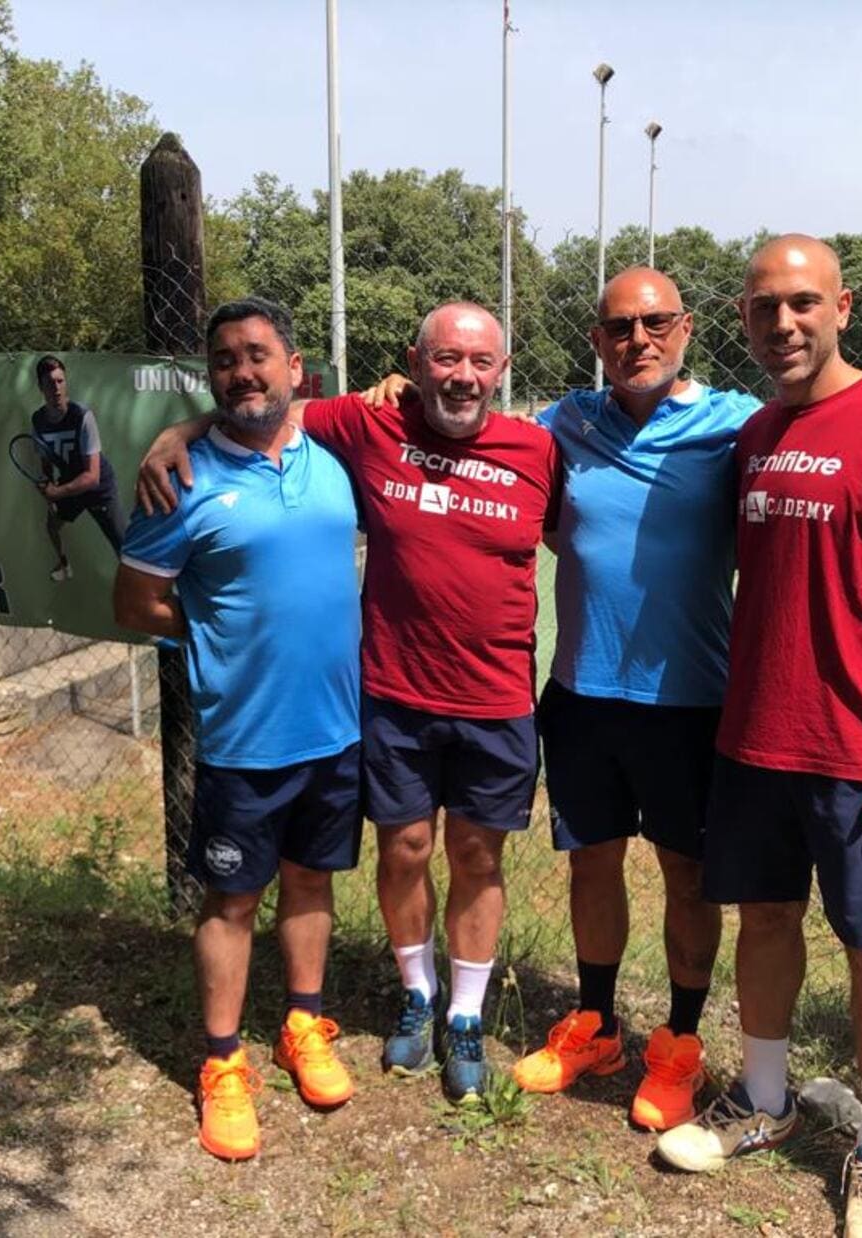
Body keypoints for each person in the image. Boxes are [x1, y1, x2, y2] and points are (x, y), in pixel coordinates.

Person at [138, 302, 559, 1104]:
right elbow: (264, 405)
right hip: (392, 693)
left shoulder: (540, 448)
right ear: (416, 360)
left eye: (478, 362)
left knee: (478, 856)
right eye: (444, 359)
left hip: (498, 697)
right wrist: (182, 432)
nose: (461, 377)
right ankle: (417, 994)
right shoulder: (369, 429)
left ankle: (464, 1015)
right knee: (402, 852)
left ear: (501, 370)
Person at [655, 236, 862, 1238]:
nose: (783, 322)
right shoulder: (754, 434)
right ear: (743, 321)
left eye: (802, 302)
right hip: (755, 739)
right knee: (765, 922)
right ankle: (765, 1098)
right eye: (763, 307)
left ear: (844, 305)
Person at [509, 267, 760, 1131]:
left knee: (689, 878)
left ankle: (681, 1043)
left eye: (655, 322)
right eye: (620, 327)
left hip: (691, 704)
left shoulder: (735, 425)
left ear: (687, 329)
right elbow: (474, 442)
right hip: (582, 694)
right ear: (597, 341)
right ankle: (596, 1024)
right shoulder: (566, 421)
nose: (638, 340)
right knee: (593, 862)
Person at [114, 297, 363, 1162]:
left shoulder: (333, 460)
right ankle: (222, 1063)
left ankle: (303, 1025)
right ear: (210, 378)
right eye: (225, 361)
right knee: (231, 900)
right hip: (241, 741)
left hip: (335, 733)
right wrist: (221, 640)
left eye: (259, 356)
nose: (243, 373)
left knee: (311, 882)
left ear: (297, 369)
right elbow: (135, 598)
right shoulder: (177, 479)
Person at [31, 355, 126, 580]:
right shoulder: (38, 420)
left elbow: (92, 477)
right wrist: (48, 483)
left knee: (124, 549)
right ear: (40, 387)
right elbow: (45, 461)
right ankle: (64, 566)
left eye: (60, 381)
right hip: (70, 483)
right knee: (51, 525)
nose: (56, 388)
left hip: (99, 488)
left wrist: (58, 492)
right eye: (49, 383)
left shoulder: (82, 416)